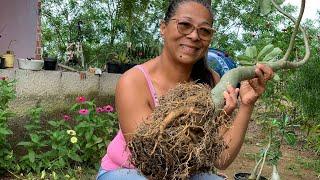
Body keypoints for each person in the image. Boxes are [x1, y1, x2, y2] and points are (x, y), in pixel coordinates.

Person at [97, 0, 274, 179]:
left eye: (204, 30)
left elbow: (221, 159)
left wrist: (246, 105)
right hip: (129, 172)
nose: (194, 36)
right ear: (163, 27)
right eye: (184, 25)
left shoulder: (212, 81)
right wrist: (202, 122)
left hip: (184, 173)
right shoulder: (134, 81)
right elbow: (150, 160)